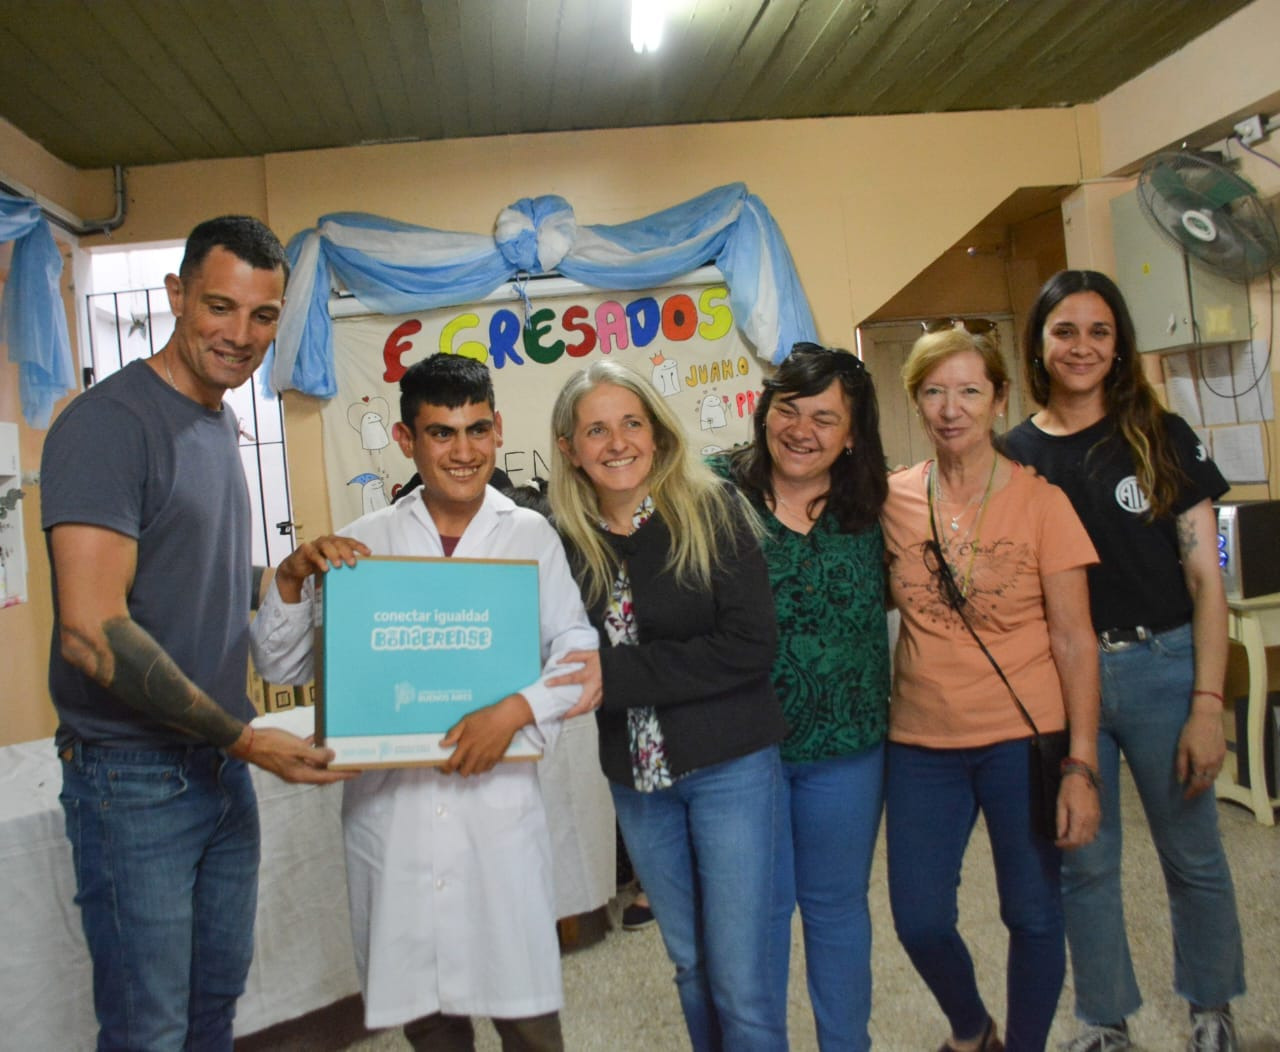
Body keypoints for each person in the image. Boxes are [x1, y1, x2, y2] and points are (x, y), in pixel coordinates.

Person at [41, 215, 351, 1050]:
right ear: (177, 295)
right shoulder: (110, 424)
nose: (240, 335)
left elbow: (187, 575)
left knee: (215, 1008)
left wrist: (282, 577)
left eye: (262, 316)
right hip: (134, 778)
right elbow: (91, 631)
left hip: (215, 768)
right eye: (220, 307)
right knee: (149, 1029)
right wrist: (245, 740)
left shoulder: (215, 421)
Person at [250, 353, 600, 1052]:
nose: (464, 452)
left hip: (498, 817)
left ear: (498, 429)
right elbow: (282, 665)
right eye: (442, 433)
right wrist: (288, 580)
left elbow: (579, 659)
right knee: (429, 1018)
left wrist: (513, 712)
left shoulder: (530, 536)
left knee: (527, 1016)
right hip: (395, 822)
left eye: (477, 430)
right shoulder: (364, 544)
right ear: (407, 439)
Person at [1002, 270, 1245, 1052]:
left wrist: (1208, 703)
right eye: (1064, 331)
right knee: (1083, 861)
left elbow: (1206, 581)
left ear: (1119, 345)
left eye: (1098, 332)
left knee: (1193, 855)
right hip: (1059, 682)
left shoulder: (1159, 435)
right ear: (1039, 344)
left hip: (1162, 668)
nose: (1082, 347)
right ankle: (1104, 1022)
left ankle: (1211, 1008)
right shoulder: (1015, 455)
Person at [547, 360, 789, 1052]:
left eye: (631, 423)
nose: (617, 442)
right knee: (691, 966)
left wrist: (613, 674)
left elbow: (749, 646)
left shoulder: (713, 510)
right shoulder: (561, 540)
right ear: (569, 448)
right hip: (638, 782)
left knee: (741, 983)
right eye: (596, 430)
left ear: (656, 432)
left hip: (730, 770)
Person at [879, 323, 1102, 1052]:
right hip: (921, 741)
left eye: (970, 391)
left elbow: (1075, 641)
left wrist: (1081, 764)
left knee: (1032, 914)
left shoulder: (1043, 503)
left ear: (999, 399)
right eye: (934, 392)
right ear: (916, 400)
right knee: (919, 920)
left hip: (1022, 738)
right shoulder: (891, 500)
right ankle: (973, 1029)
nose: (952, 409)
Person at [716, 342, 889, 1051]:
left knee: (837, 909)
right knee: (757, 916)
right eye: (789, 409)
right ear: (765, 412)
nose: (801, 430)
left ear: (851, 435)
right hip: (741, 751)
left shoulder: (879, 505)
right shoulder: (713, 491)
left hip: (847, 749)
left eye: (824, 418)